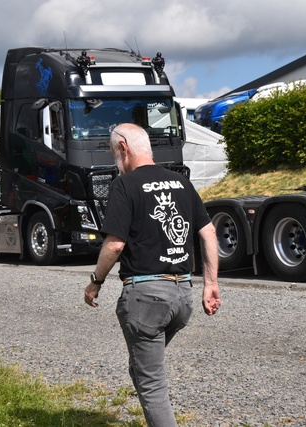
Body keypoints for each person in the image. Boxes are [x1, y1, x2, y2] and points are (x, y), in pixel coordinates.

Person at [84, 123, 221, 426]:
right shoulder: (181, 182)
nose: (115, 160)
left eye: (113, 153)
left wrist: (95, 281)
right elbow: (209, 232)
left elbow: (115, 244)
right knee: (142, 368)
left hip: (146, 300)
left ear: (123, 148)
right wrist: (210, 284)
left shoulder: (125, 184)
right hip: (182, 298)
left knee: (152, 384)